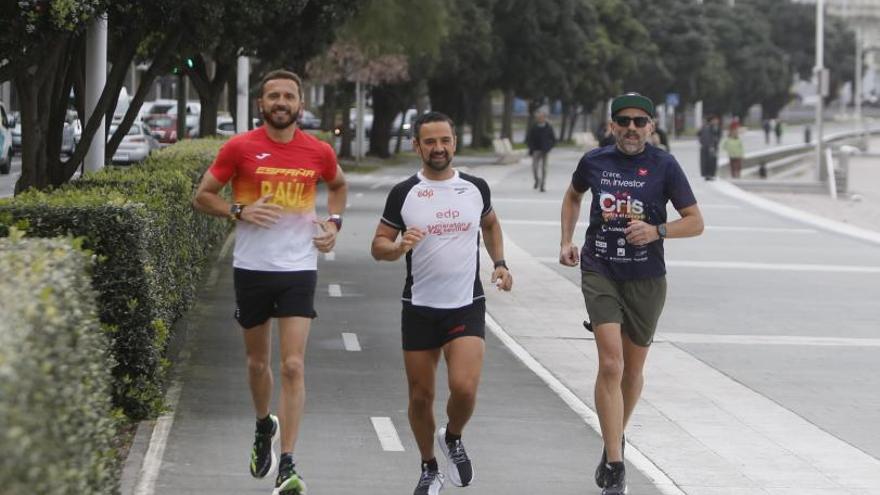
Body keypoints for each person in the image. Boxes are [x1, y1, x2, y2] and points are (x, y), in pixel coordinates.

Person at [193, 69, 347, 495]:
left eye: (289, 96)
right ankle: (264, 425)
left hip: (298, 269)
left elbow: (337, 185)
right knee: (257, 364)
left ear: (300, 104)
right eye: (273, 96)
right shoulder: (240, 148)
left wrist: (333, 223)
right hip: (252, 269)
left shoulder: (317, 151)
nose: (281, 102)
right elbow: (202, 195)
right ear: (262, 104)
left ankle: (288, 463)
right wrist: (237, 211)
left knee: (293, 365)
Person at [559, 92, 704, 495]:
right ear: (611, 126)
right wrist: (565, 240)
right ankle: (617, 465)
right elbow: (573, 196)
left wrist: (658, 230)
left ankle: (613, 437)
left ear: (652, 127)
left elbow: (695, 222)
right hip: (600, 268)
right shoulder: (594, 162)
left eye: (640, 121)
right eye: (623, 121)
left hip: (646, 277)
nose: (631, 128)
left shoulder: (665, 165)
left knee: (633, 370)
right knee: (610, 364)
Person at [371, 111, 513, 495]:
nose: (438, 148)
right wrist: (398, 246)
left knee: (464, 389)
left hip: (465, 302)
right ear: (416, 146)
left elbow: (491, 224)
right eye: (429, 142)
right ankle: (428, 465)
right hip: (419, 305)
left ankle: (452, 436)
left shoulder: (475, 188)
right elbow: (378, 246)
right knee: (421, 395)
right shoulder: (404, 192)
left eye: (444, 140)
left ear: (454, 143)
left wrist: (499, 263)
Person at [526, 108, 557, 192]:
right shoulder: (534, 127)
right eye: (539, 117)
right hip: (536, 150)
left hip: (545, 150)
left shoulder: (548, 127)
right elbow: (529, 138)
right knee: (534, 168)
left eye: (542, 117)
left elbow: (553, 139)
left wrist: (549, 147)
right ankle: (537, 180)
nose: (540, 118)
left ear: (544, 118)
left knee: (544, 168)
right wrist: (531, 147)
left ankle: (543, 185)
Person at [698, 115, 721, 180]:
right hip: (709, 147)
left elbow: (718, 136)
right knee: (708, 162)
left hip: (712, 147)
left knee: (712, 161)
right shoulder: (706, 127)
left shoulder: (715, 127)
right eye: (715, 120)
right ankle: (708, 175)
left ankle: (710, 175)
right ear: (711, 121)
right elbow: (701, 135)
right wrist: (710, 145)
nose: (716, 121)